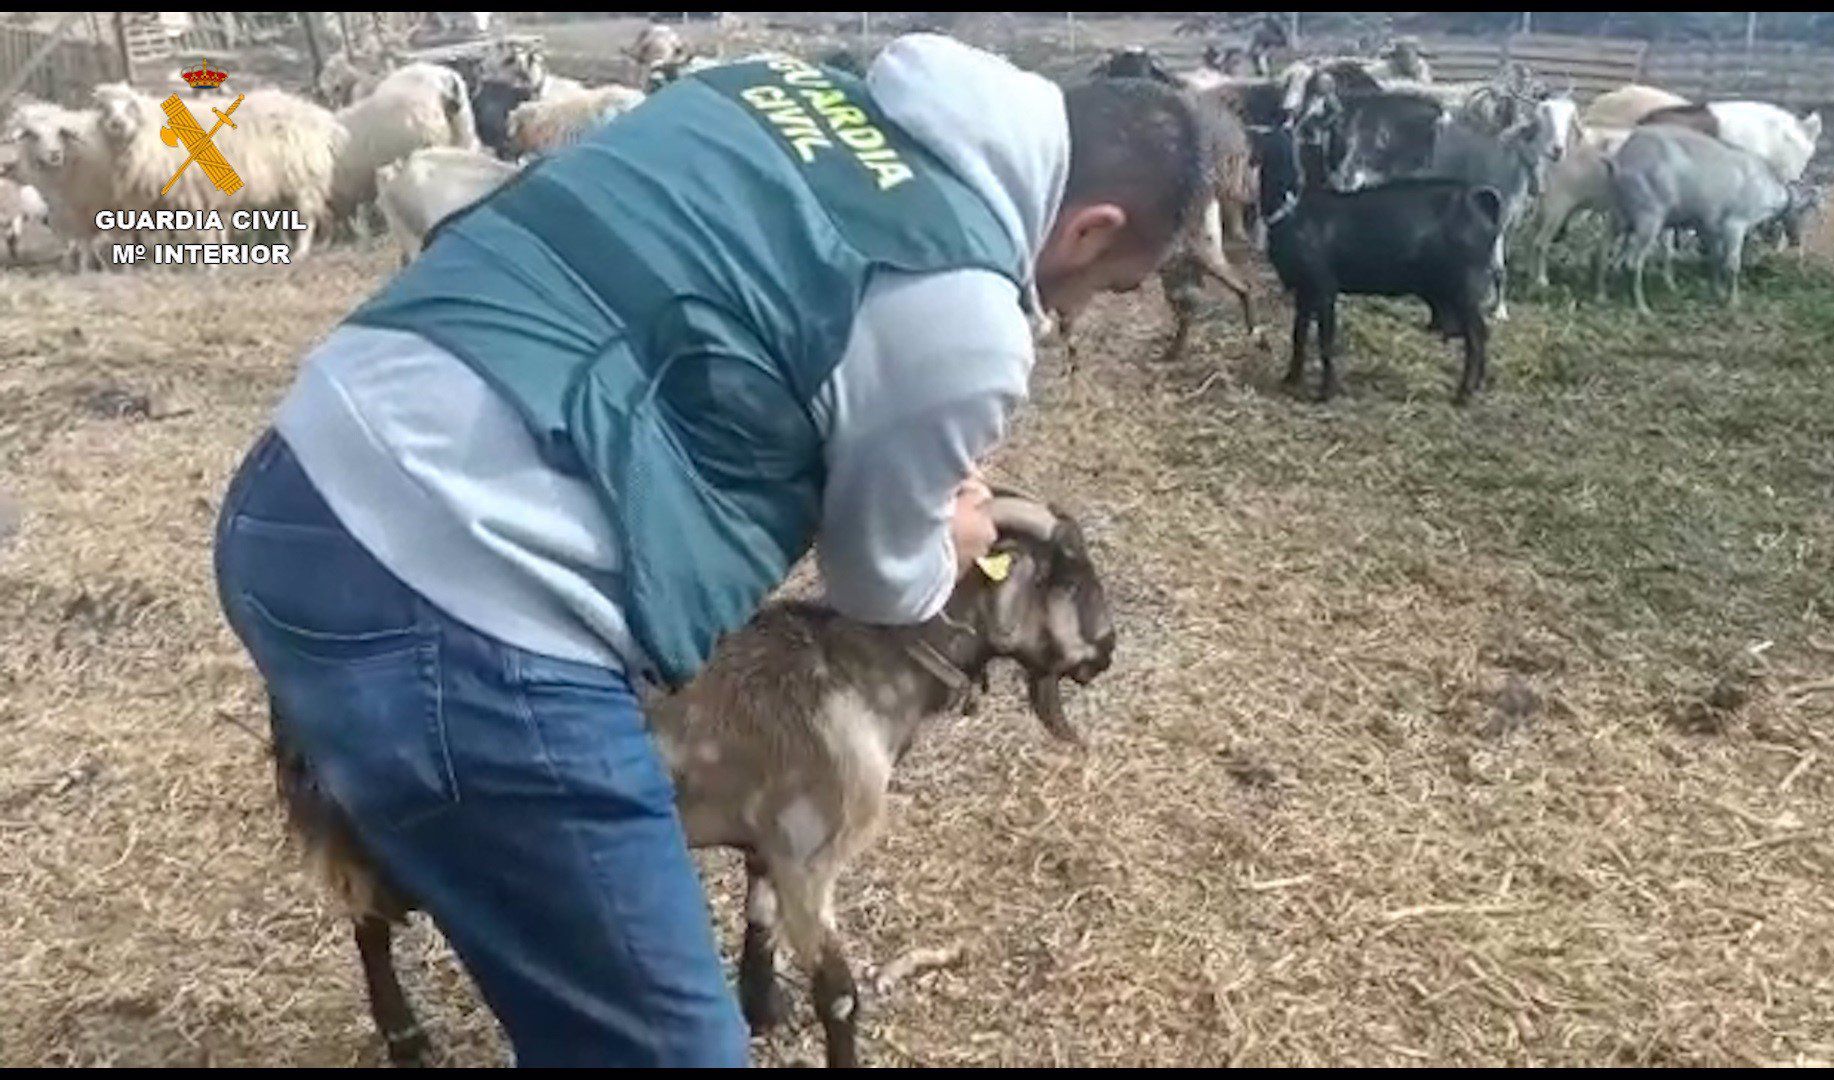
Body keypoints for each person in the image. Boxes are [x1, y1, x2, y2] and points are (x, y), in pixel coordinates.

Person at [212, 33, 1201, 1066]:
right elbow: (876, 586)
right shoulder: (967, 308)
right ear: (1092, 230)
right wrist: (950, 532)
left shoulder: (769, 88)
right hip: (460, 608)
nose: (1068, 314)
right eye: (1104, 289)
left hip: (294, 487)